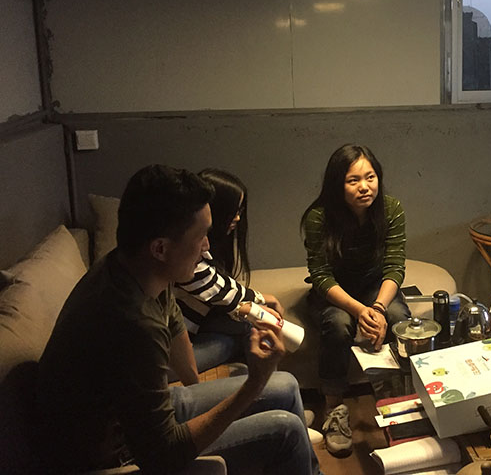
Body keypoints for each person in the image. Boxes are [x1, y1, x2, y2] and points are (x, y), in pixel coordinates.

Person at [36, 165, 321, 475]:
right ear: (160, 248)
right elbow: (164, 455)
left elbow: (174, 325)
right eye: (200, 237)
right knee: (287, 430)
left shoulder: (134, 268)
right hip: (117, 454)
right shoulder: (132, 323)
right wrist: (254, 383)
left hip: (141, 414)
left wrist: (199, 392)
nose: (207, 246)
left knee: (285, 385)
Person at [301, 144, 410, 457]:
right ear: (338, 184)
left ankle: (402, 403)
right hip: (334, 291)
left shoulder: (391, 209)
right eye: (353, 180)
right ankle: (334, 407)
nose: (365, 186)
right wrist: (361, 310)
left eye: (370, 177)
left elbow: (395, 266)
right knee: (338, 323)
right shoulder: (319, 217)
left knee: (400, 320)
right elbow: (321, 276)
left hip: (375, 287)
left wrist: (377, 308)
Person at [175, 168, 283, 374]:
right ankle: (268, 383)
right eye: (233, 211)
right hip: (172, 355)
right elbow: (220, 289)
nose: (238, 218)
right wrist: (263, 299)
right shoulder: (186, 256)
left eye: (240, 211)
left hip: (197, 332)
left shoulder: (209, 249)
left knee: (249, 329)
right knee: (250, 329)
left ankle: (265, 381)